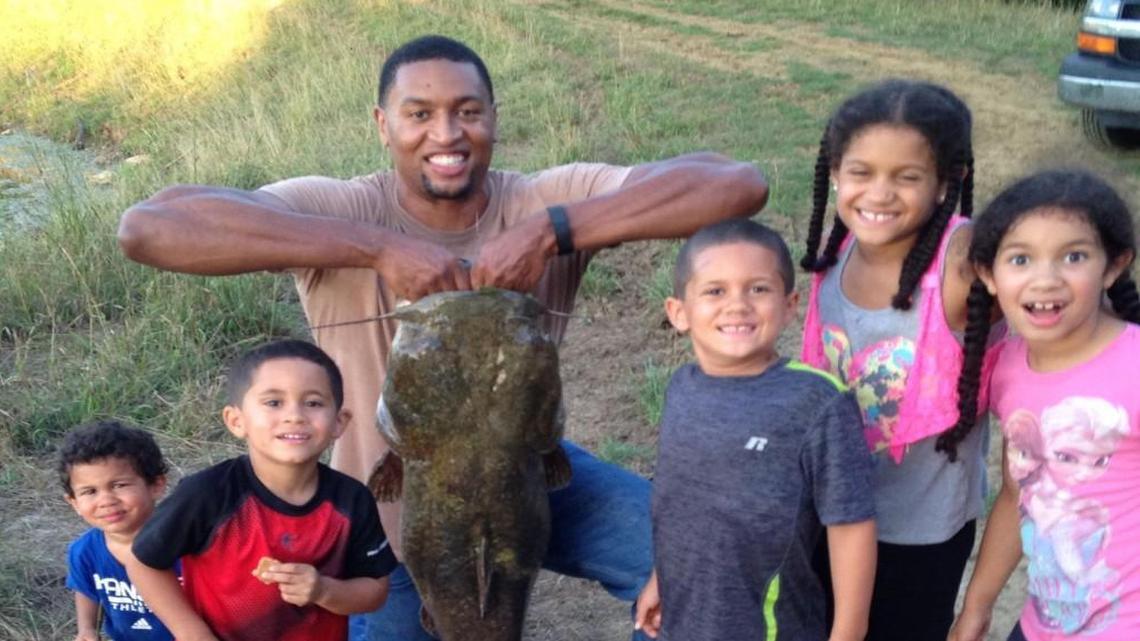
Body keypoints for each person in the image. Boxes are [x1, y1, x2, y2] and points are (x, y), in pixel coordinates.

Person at [116, 34, 768, 640]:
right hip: (383, 511)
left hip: (526, 474)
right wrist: (375, 247)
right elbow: (151, 226)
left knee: (708, 561)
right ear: (382, 125)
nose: (447, 133)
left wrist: (551, 231)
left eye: (467, 111)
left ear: (494, 116)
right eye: (418, 113)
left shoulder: (542, 201)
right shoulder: (344, 209)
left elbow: (737, 183)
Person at [798, 79, 986, 640]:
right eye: (861, 172)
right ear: (834, 172)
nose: (879, 194)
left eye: (907, 177)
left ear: (950, 181)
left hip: (917, 537)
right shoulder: (834, 251)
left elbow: (1066, 286)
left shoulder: (961, 261)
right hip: (827, 519)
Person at [633, 218, 877, 641]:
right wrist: (662, 579)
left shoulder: (817, 401)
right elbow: (681, 506)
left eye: (758, 289)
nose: (738, 305)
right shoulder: (680, 389)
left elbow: (851, 526)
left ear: (789, 305)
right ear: (679, 313)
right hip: (686, 621)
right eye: (715, 291)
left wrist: (848, 633)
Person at [948, 170, 1140, 641]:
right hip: (1045, 624)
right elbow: (1018, 494)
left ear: (1113, 266)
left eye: (1073, 256)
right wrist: (975, 608)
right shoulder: (1009, 368)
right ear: (989, 275)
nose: (1046, 279)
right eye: (1020, 259)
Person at [125, 339, 398, 641]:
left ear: (339, 422)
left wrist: (323, 590)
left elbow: (375, 591)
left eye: (314, 403)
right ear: (236, 420)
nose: (294, 415)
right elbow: (143, 562)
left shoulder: (351, 500)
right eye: (273, 402)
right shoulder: (209, 494)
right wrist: (192, 633)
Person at [59, 420, 177, 641]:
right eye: (89, 491)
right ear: (74, 502)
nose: (106, 501)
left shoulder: (183, 544)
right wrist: (87, 629)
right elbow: (86, 590)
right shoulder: (84, 551)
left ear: (156, 485)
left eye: (119, 485)